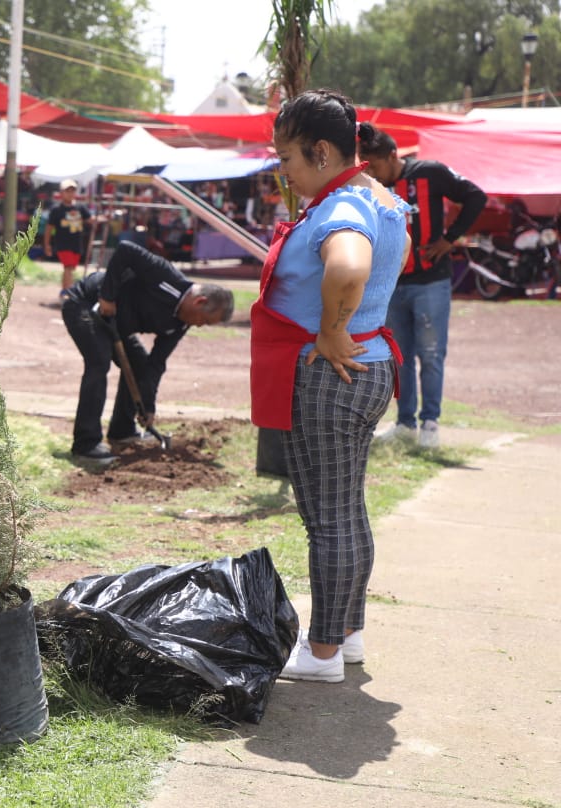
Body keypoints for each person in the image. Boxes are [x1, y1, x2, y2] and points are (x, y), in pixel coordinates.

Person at [251, 90, 411, 683]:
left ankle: (320, 653)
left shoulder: (342, 206)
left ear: (321, 152)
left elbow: (347, 264)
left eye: (287, 157)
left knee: (328, 520)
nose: (282, 171)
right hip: (365, 369)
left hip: (331, 375)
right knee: (347, 512)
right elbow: (401, 256)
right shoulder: (385, 199)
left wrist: (332, 331)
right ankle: (347, 635)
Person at [358, 127, 487, 449]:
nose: (370, 172)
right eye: (365, 166)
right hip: (392, 286)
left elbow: (475, 196)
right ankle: (405, 424)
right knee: (399, 357)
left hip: (431, 282)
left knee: (430, 355)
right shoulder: (369, 187)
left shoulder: (430, 172)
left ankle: (430, 423)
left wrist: (449, 239)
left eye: (374, 165)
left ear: (392, 156)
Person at [61, 240, 234, 460]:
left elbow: (156, 364)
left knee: (140, 366)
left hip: (117, 325)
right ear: (200, 302)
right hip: (85, 305)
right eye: (205, 321)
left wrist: (148, 406)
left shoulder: (181, 323)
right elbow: (125, 249)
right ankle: (85, 444)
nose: (200, 326)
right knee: (99, 362)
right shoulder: (166, 277)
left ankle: (122, 432)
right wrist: (107, 296)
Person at [43, 179, 92, 294]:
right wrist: (47, 244)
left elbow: (90, 220)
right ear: (61, 193)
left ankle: (65, 290)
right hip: (63, 244)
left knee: (70, 268)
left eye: (72, 191)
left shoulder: (81, 208)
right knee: (68, 267)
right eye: (67, 191)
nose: (70, 193)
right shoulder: (56, 210)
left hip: (76, 244)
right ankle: (68, 292)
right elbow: (49, 228)